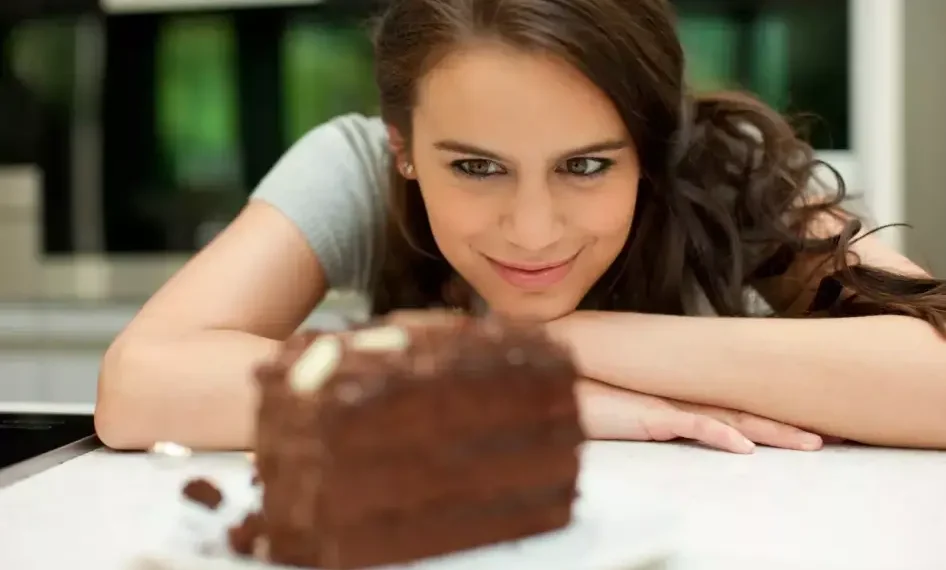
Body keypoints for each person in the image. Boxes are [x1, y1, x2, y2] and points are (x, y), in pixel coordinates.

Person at [95, 0, 946, 453]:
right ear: (404, 147)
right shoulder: (350, 165)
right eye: (475, 167)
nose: (533, 231)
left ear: (650, 148)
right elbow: (142, 388)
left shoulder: (725, 164)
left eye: (586, 165)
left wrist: (533, 345)